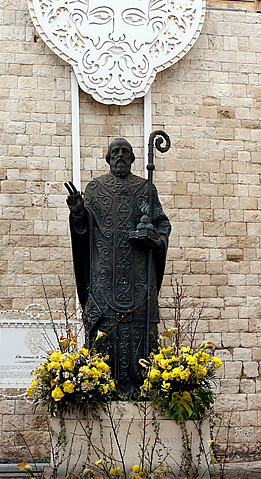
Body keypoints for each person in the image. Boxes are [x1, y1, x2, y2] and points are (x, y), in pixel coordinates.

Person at [66, 138, 170, 398]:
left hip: (138, 277)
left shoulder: (146, 189)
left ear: (134, 159)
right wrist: (79, 212)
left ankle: (142, 387)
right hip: (105, 278)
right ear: (108, 158)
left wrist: (155, 238)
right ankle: (101, 389)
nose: (120, 156)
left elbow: (161, 225)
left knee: (139, 337)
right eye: (115, 152)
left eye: (125, 152)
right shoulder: (95, 188)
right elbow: (84, 229)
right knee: (104, 338)